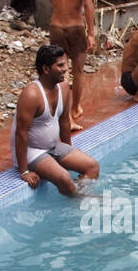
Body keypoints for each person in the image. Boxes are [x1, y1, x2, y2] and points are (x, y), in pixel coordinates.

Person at [13, 44, 99, 197]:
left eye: (65, 64)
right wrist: (24, 171)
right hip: (33, 151)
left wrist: (68, 153)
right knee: (64, 178)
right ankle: (79, 201)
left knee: (92, 167)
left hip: (53, 146)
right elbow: (20, 134)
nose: (66, 69)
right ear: (46, 69)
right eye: (60, 65)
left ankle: (80, 194)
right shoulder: (32, 95)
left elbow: (65, 121)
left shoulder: (64, 87)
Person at [46, 0, 96, 130]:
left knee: (61, 72)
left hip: (56, 25)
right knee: (78, 70)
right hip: (76, 26)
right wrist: (91, 33)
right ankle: (75, 108)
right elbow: (88, 4)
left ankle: (66, 117)